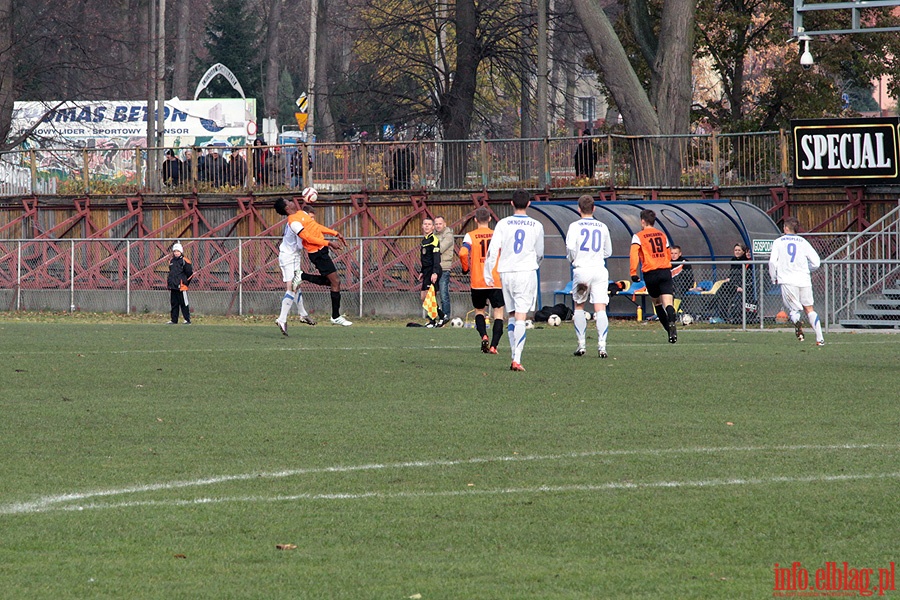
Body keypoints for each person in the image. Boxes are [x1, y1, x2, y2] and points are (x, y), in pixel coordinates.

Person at [484, 189, 544, 372]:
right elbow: (540, 253)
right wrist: (534, 264)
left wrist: (488, 273)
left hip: (506, 273)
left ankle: (513, 355)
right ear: (529, 204)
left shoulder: (503, 224)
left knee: (511, 313)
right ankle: (516, 359)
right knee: (521, 316)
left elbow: (492, 250)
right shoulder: (536, 225)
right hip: (525, 272)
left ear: (511, 204)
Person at [566, 194, 612, 358]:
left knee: (579, 305)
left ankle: (582, 345)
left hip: (582, 269)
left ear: (579, 209)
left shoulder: (574, 226)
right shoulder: (603, 226)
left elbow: (570, 248)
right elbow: (608, 252)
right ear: (594, 208)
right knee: (600, 308)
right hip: (599, 270)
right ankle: (602, 347)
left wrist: (574, 260)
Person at [292, 200, 353, 326]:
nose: (312, 220)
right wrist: (329, 243)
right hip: (317, 254)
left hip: (321, 252)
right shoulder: (302, 224)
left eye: (313, 218)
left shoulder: (311, 224)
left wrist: (336, 233)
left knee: (331, 282)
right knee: (336, 282)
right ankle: (335, 316)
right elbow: (310, 239)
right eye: (311, 217)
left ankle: (302, 276)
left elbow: (319, 228)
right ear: (305, 215)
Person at [768, 216, 824, 346]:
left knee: (794, 309)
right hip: (804, 279)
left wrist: (773, 277)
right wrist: (806, 269)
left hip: (788, 280)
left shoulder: (778, 242)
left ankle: (798, 324)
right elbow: (816, 262)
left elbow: (772, 262)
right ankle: (820, 339)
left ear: (786, 228)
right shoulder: (803, 242)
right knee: (809, 309)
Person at [459, 207, 505, 354]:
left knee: (479, 311)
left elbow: (463, 252)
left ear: (475, 220)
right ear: (490, 219)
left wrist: (465, 268)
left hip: (478, 281)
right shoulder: (497, 235)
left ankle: (483, 335)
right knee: (498, 313)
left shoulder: (470, 235)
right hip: (495, 279)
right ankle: (494, 346)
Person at [630, 209, 678, 343]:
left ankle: (670, 332)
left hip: (651, 272)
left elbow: (634, 255)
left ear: (643, 221)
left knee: (657, 303)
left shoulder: (638, 236)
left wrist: (633, 272)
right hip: (664, 271)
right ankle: (673, 323)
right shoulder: (662, 235)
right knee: (669, 303)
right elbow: (668, 253)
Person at [272, 198, 318, 336]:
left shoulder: (294, 218)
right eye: (289, 202)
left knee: (297, 285)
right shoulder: (294, 223)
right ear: (287, 207)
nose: (293, 202)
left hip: (294, 256)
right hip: (289, 256)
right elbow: (299, 244)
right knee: (291, 287)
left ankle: (303, 314)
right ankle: (281, 319)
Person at [420, 217, 447, 327]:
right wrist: (422, 271)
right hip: (426, 271)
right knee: (423, 297)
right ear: (422, 226)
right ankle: (442, 316)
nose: (426, 226)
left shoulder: (434, 240)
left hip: (433, 270)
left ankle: (432, 321)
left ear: (432, 227)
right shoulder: (424, 240)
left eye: (429, 224)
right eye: (425, 224)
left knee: (429, 296)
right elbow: (424, 257)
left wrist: (435, 272)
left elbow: (436, 258)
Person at [720, 243, 754, 323]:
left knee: (728, 290)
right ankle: (722, 316)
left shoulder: (748, 262)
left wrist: (742, 287)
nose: (737, 252)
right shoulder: (733, 260)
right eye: (736, 250)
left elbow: (749, 278)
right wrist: (729, 278)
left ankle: (708, 306)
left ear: (743, 252)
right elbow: (732, 274)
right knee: (721, 291)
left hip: (742, 286)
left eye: (739, 250)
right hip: (733, 284)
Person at [166, 242, 193, 325]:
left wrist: (185, 282)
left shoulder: (185, 261)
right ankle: (174, 320)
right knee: (174, 303)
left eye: (178, 251)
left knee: (184, 303)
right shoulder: (171, 261)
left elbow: (190, 273)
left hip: (182, 286)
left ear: (181, 252)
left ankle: (187, 319)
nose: (176, 253)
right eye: (175, 251)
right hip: (173, 286)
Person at [434, 215, 455, 319]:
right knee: (431, 295)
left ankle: (446, 316)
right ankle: (433, 316)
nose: (438, 226)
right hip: (433, 268)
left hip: (443, 268)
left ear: (444, 224)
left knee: (443, 294)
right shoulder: (433, 235)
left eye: (440, 223)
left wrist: (431, 248)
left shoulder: (448, 235)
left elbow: (440, 248)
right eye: (436, 224)